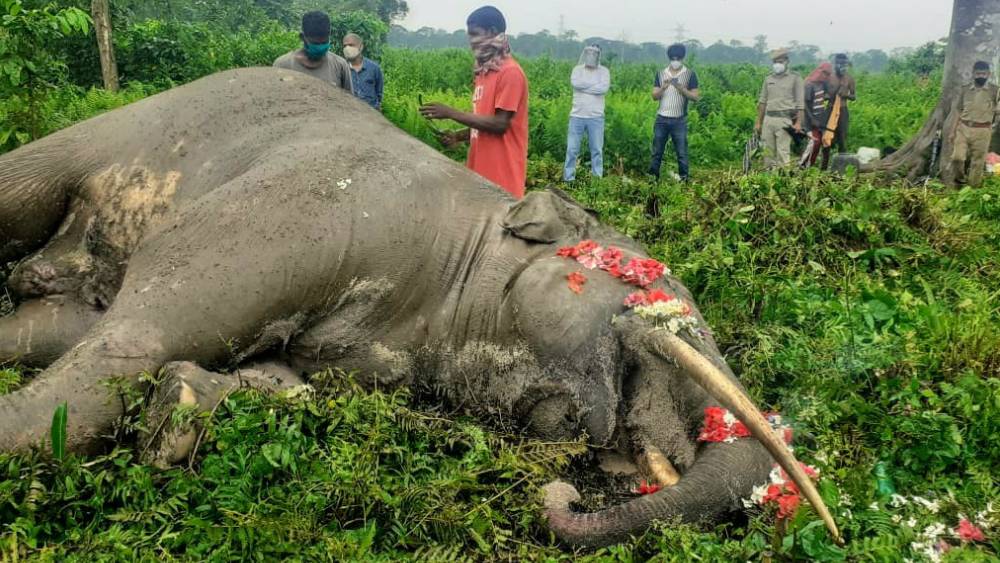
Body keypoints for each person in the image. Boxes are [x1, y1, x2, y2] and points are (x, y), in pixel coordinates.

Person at [418, 6, 529, 199]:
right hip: (479, 175)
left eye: (475, 34)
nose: (471, 41)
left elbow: (500, 124)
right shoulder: (484, 75)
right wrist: (458, 137)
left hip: (502, 180)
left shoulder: (510, 73)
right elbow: (482, 123)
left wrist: (451, 112)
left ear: (493, 32)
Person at [649, 43, 700, 182]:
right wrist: (663, 87)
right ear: (669, 58)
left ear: (682, 58)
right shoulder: (661, 74)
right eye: (673, 58)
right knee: (657, 152)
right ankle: (653, 179)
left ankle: (684, 179)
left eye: (678, 58)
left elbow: (695, 97)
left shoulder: (690, 75)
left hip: (679, 120)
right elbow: (654, 96)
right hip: (661, 119)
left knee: (682, 153)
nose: (675, 61)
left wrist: (681, 88)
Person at [948, 61, 999, 188]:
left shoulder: (995, 90)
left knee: (978, 162)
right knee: (957, 158)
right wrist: (952, 131)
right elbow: (958, 111)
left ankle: (972, 189)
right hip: (963, 128)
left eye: (983, 73)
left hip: (983, 130)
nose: (980, 76)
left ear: (988, 74)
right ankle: (960, 180)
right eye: (978, 73)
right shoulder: (965, 89)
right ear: (973, 74)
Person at [563, 44, 610, 182]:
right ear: (584, 53)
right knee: (572, 149)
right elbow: (575, 84)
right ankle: (568, 179)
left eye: (595, 52)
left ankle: (597, 180)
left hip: (596, 117)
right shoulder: (577, 70)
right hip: (577, 116)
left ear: (599, 55)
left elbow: (602, 89)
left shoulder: (604, 71)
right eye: (589, 52)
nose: (591, 55)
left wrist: (584, 87)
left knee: (596, 150)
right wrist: (592, 86)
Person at [273, 11, 352, 92]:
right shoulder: (282, 65)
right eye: (315, 43)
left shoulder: (340, 66)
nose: (321, 47)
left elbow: (350, 101)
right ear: (302, 37)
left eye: (324, 42)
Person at [754, 49, 805, 170]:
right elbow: (762, 102)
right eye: (775, 62)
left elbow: (800, 104)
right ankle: (768, 180)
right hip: (768, 119)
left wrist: (798, 123)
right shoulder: (768, 79)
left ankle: (783, 180)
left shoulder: (795, 78)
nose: (777, 64)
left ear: (787, 62)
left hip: (784, 119)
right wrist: (758, 122)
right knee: (767, 153)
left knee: (783, 152)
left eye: (780, 61)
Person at [821, 53, 857, 170]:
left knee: (842, 139)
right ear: (835, 64)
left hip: (842, 110)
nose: (842, 66)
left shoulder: (849, 79)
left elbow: (853, 96)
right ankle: (824, 167)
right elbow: (823, 94)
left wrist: (845, 95)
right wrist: (828, 96)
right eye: (840, 63)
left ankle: (840, 169)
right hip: (830, 110)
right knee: (826, 139)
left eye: (844, 64)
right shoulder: (829, 78)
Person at [802, 62, 833, 167]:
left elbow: (828, 94)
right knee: (814, 143)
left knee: (822, 143)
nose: (826, 77)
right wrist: (812, 120)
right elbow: (805, 105)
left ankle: (812, 166)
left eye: (828, 74)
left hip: (820, 117)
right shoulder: (809, 84)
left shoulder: (822, 83)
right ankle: (803, 166)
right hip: (810, 118)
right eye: (825, 74)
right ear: (820, 72)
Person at [343, 33, 384, 110]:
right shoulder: (342, 68)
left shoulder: (374, 68)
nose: (347, 48)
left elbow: (379, 92)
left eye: (351, 45)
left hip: (371, 115)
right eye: (345, 46)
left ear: (361, 47)